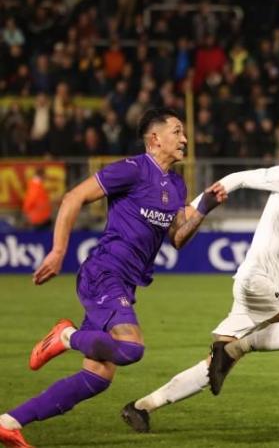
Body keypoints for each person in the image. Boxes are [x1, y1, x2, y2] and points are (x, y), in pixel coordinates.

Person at [120, 129, 279, 433]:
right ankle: (238, 348)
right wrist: (195, 205)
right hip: (257, 279)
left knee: (213, 369)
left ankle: (141, 407)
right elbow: (239, 178)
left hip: (270, 292)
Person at [0, 108, 226, 448]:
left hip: (123, 283)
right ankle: (66, 337)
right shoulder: (132, 169)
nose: (184, 138)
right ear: (155, 139)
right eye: (177, 131)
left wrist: (205, 205)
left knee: (98, 376)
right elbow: (74, 197)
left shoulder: (176, 184)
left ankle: (8, 422)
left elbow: (178, 237)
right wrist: (58, 251)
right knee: (131, 348)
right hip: (104, 274)